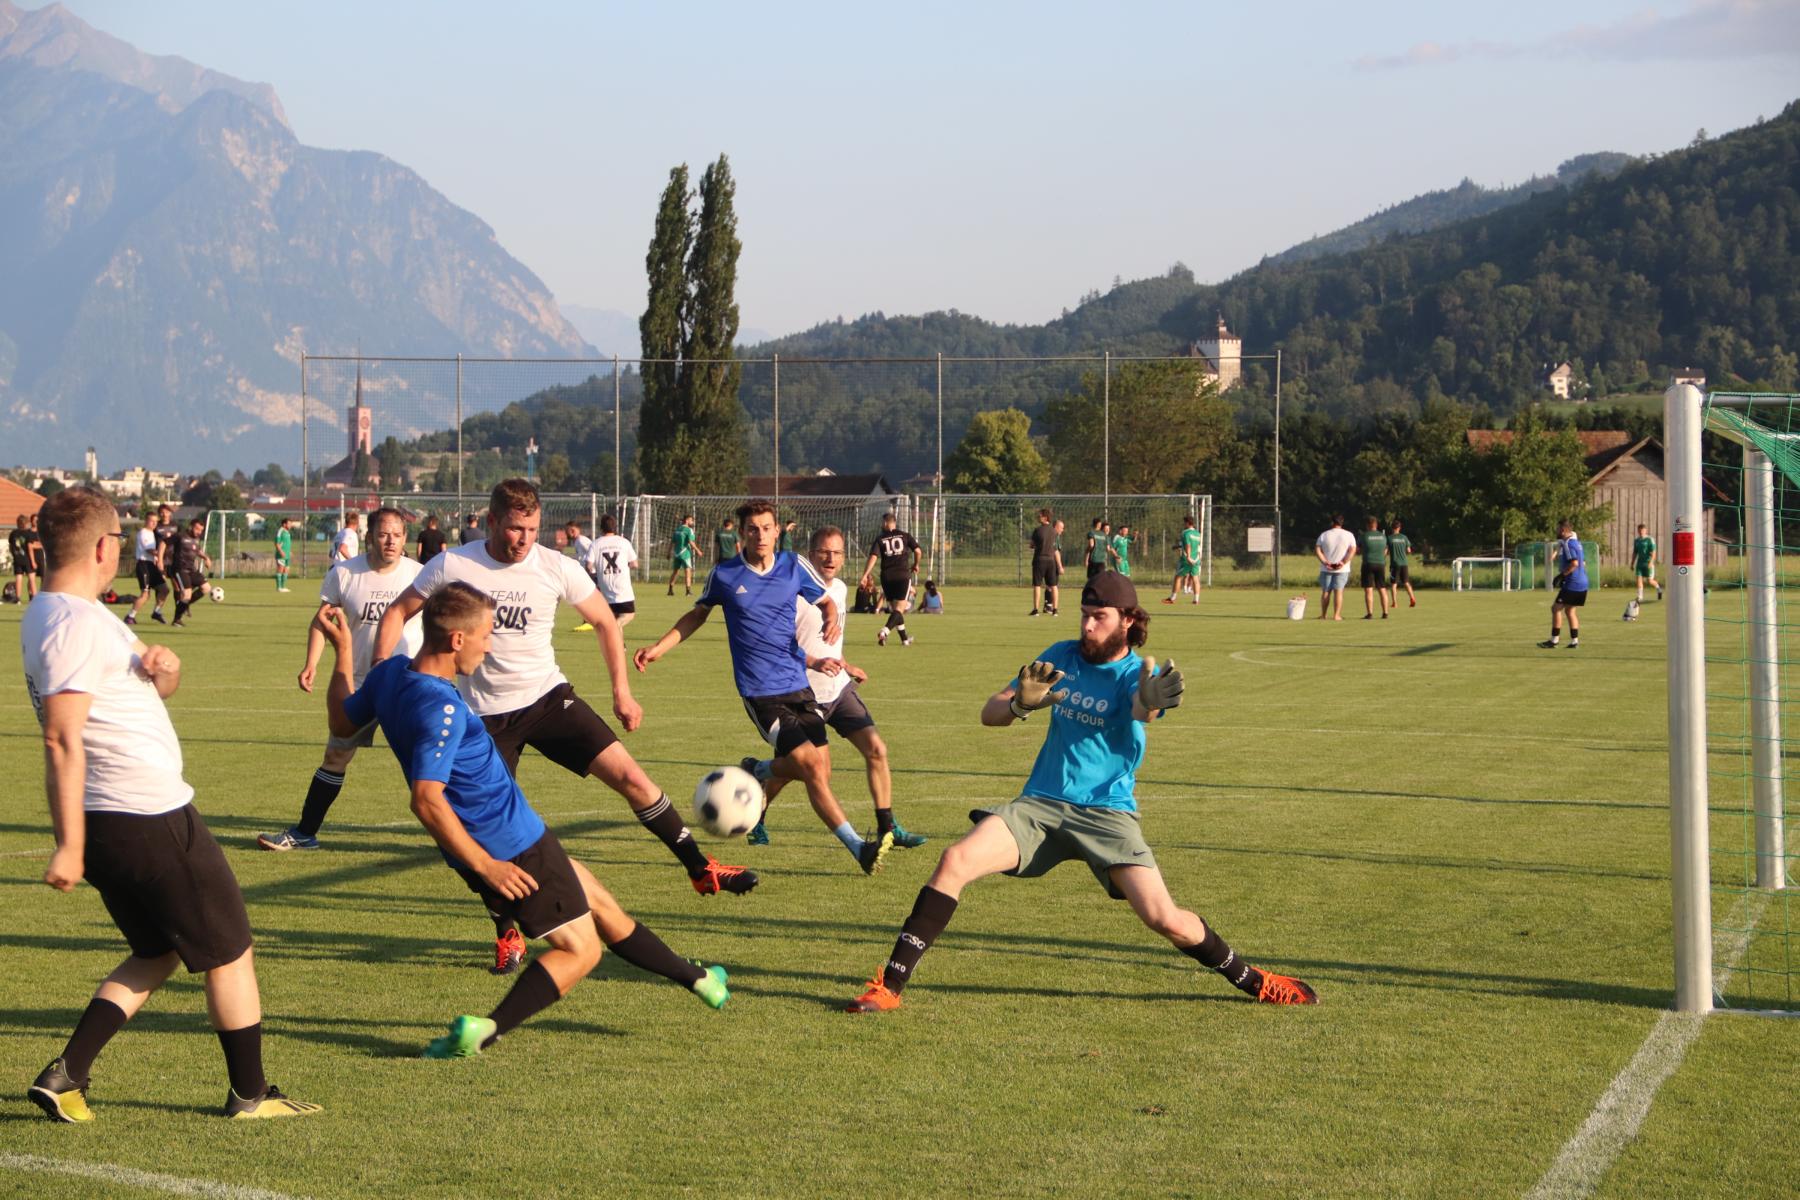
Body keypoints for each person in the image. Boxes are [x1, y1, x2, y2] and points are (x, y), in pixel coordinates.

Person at [844, 570, 1316, 1014]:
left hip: (1107, 814)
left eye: (1100, 618)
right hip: (1040, 804)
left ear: (1129, 621)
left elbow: (1142, 709)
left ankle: (1254, 979)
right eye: (1084, 616)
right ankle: (888, 988)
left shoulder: (1135, 674)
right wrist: (1018, 704)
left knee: (1163, 917)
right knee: (955, 861)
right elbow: (990, 714)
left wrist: (1148, 705)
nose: (1088, 627)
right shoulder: (1062, 655)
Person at [323, 582, 730, 1059]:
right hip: (510, 847)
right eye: (486, 634)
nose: (490, 644)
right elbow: (426, 800)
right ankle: (486, 1030)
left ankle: (702, 981)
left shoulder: (390, 673)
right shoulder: (444, 709)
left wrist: (344, 653)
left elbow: (341, 722)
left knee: (597, 899)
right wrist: (486, 865)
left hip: (508, 840)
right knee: (582, 951)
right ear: (457, 641)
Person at [22, 486, 321, 1121]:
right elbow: (61, 733)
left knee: (157, 950)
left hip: (119, 817)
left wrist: (164, 671)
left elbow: (137, 691)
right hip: (143, 814)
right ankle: (250, 1095)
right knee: (231, 947)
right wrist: (69, 844)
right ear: (106, 548)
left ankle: (66, 1073)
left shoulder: (59, 612)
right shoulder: (74, 622)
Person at [375, 479, 757, 904]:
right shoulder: (453, 566)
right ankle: (506, 928)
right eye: (516, 529)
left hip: (547, 699)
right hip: (481, 719)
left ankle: (701, 869)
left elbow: (606, 622)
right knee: (480, 833)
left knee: (632, 777)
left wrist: (621, 692)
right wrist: (381, 672)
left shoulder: (555, 566)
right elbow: (398, 611)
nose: (525, 540)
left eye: (534, 530)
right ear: (493, 520)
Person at [635, 500, 892, 874]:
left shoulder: (792, 566)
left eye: (766, 527)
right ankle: (858, 847)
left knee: (820, 769)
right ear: (742, 534)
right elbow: (697, 614)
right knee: (808, 765)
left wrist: (832, 617)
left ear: (777, 531)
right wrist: (660, 647)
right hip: (760, 693)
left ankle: (759, 770)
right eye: (752, 528)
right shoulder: (725, 574)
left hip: (799, 686)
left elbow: (825, 600)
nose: (760, 535)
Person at [746, 525, 927, 852]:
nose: (830, 558)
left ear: (844, 558)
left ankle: (888, 827)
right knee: (794, 770)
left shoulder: (840, 590)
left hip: (839, 688)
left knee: (877, 750)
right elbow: (779, 648)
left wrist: (845, 663)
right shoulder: (794, 595)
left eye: (837, 553)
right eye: (823, 552)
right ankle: (756, 815)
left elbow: (832, 640)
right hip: (801, 693)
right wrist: (814, 662)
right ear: (811, 554)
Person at [257, 508, 425, 855]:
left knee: (428, 761)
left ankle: (467, 839)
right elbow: (322, 621)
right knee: (336, 754)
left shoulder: (420, 576)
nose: (390, 541)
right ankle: (305, 833)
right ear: (369, 537)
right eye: (383, 534)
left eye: (397, 534)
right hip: (361, 682)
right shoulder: (345, 573)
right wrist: (311, 663)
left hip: (406, 684)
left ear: (405, 538)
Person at [859, 510, 921, 647]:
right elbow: (917, 551)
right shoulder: (905, 536)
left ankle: (904, 640)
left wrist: (865, 575)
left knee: (896, 611)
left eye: (882, 522)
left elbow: (873, 557)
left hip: (887, 577)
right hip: (902, 576)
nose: (881, 525)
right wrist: (916, 564)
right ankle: (884, 632)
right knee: (899, 610)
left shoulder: (880, 538)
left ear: (887, 522)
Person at [586, 513, 639, 631]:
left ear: (601, 528)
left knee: (613, 616)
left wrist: (596, 574)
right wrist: (626, 565)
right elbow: (635, 564)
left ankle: (620, 648)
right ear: (615, 527)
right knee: (628, 615)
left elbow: (589, 566)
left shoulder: (595, 543)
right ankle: (614, 629)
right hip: (622, 588)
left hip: (605, 589)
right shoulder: (623, 542)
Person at [1541, 520, 1588, 649]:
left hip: (1573, 583)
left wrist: (1562, 575)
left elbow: (1575, 564)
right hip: (1582, 582)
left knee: (1555, 609)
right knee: (1570, 611)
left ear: (1562, 530)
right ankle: (1575, 642)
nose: (1556, 531)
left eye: (1557, 529)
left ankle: (1554, 640)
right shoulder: (1577, 543)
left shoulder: (1568, 544)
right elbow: (1583, 563)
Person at [124, 511, 168, 625]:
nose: (154, 523)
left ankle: (156, 612)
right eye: (151, 521)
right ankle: (130, 616)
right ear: (146, 521)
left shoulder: (154, 534)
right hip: (144, 565)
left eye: (156, 521)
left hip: (151, 565)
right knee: (145, 594)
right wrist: (161, 554)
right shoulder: (143, 533)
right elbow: (149, 550)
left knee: (164, 589)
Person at [168, 516, 213, 628]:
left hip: (191, 569)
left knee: (206, 588)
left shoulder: (196, 539)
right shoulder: (180, 536)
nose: (199, 532)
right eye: (197, 529)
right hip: (180, 569)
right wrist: (159, 559)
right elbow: (164, 543)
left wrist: (206, 558)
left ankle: (184, 605)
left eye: (201, 530)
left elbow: (197, 550)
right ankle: (176, 620)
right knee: (187, 594)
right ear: (190, 526)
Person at [1314, 514, 1355, 621]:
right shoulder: (1349, 535)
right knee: (1339, 591)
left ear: (1332, 522)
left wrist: (1325, 561)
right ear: (1342, 522)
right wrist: (1343, 562)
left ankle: (1323, 615)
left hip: (1326, 567)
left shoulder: (1324, 535)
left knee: (1326, 591)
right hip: (1342, 568)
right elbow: (1352, 550)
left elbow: (1317, 549)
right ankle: (1336, 615)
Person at [1028, 508, 1060, 617]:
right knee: (1053, 585)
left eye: (1040, 515)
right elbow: (1055, 547)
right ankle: (1055, 610)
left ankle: (1035, 610)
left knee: (1037, 585)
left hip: (1039, 560)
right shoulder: (1054, 531)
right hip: (1051, 561)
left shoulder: (1037, 530)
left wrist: (1036, 545)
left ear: (1045, 517)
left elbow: (1031, 545)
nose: (1038, 517)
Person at [1164, 515, 1203, 605]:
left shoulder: (1185, 533)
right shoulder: (1197, 534)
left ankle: (1172, 598)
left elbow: (1188, 545)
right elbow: (1197, 546)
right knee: (1195, 578)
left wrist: (1188, 557)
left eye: (1184, 522)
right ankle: (1196, 600)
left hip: (1186, 560)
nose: (1184, 524)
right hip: (1196, 559)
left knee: (1178, 577)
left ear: (1187, 523)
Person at [1358, 516, 1391, 620]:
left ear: (1367, 525)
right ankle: (1385, 613)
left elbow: (1358, 549)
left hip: (1368, 563)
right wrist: (1382, 556)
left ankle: (1370, 613)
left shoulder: (1364, 536)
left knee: (1369, 589)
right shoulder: (1383, 536)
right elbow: (1386, 550)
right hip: (1380, 563)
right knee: (1382, 588)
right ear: (1376, 525)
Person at [1386, 520, 1417, 609]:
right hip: (1404, 563)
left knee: (1394, 584)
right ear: (1399, 528)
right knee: (1406, 582)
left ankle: (1395, 603)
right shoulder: (1404, 537)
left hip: (1395, 564)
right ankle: (1412, 598)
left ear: (1392, 528)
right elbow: (1409, 550)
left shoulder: (1389, 538)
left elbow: (1385, 551)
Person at [667, 514, 698, 596]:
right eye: (691, 520)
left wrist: (668, 552)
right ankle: (688, 591)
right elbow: (691, 542)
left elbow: (672, 542)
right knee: (688, 572)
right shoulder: (689, 530)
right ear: (687, 520)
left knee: (675, 572)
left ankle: (670, 590)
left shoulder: (677, 529)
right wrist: (698, 551)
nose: (693, 522)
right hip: (685, 554)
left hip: (677, 554)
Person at [10, 512, 39, 604]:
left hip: (17, 559)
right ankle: (34, 598)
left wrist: (14, 555)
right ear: (26, 523)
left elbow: (11, 546)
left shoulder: (13, 533)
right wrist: (33, 561)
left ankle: (18, 598)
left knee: (18, 577)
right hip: (27, 559)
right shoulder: (28, 534)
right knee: (31, 578)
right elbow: (30, 548)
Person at [1632, 523, 1661, 602]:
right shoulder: (1637, 541)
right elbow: (1635, 553)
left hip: (1648, 563)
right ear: (1638, 530)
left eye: (1643, 530)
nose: (1641, 531)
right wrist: (1632, 563)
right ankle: (1640, 597)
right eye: (1640, 530)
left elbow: (1654, 552)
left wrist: (1651, 562)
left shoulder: (1649, 539)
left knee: (1650, 581)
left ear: (1645, 530)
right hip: (1640, 564)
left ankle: (1658, 589)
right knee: (1638, 579)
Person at [272, 517, 293, 593]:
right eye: (289, 523)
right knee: (280, 569)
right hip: (281, 554)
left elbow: (286, 543)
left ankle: (283, 586)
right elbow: (276, 543)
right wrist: (280, 551)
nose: (291, 525)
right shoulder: (280, 531)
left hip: (287, 554)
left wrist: (289, 551)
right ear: (284, 524)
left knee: (286, 569)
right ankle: (279, 587)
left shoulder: (287, 532)